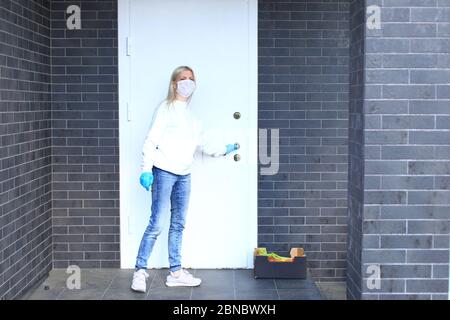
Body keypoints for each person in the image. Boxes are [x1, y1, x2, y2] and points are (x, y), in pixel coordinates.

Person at [131, 66, 239, 293]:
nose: (187, 83)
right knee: (157, 223)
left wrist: (225, 148)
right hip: (163, 171)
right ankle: (140, 271)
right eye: (183, 79)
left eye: (191, 79)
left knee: (178, 224)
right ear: (174, 84)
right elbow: (150, 141)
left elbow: (205, 145)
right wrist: (146, 169)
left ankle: (176, 273)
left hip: (184, 175)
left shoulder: (193, 117)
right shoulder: (165, 109)